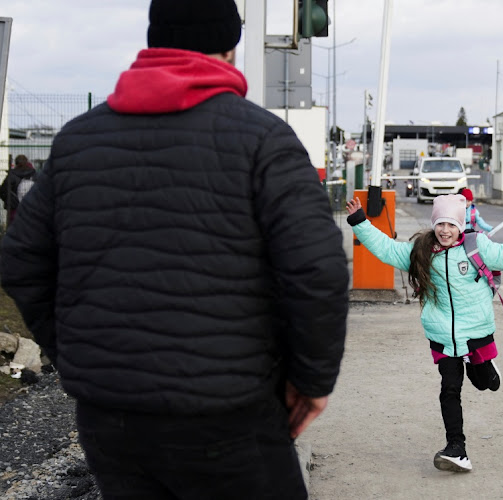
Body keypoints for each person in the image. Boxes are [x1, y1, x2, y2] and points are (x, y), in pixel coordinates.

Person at [0, 1, 349, 498]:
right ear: (230, 49)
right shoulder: (263, 139)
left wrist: (78, 355)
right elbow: (317, 271)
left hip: (111, 419)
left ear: (155, 43)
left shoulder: (78, 141)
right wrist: (311, 380)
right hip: (227, 416)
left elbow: (21, 260)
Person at [345, 193, 503, 473]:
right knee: (449, 389)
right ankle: (457, 449)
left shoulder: (476, 248)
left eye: (451, 225)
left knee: (481, 382)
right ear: (434, 225)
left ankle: (487, 371)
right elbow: (387, 249)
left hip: (476, 330)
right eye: (440, 224)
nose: (445, 230)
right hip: (443, 336)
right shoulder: (421, 252)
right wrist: (360, 222)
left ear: (461, 226)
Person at [0, 154, 37, 226]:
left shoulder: (12, 176)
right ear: (27, 162)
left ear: (16, 163)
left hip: (14, 210)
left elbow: (3, 191)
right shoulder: (34, 175)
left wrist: (12, 202)